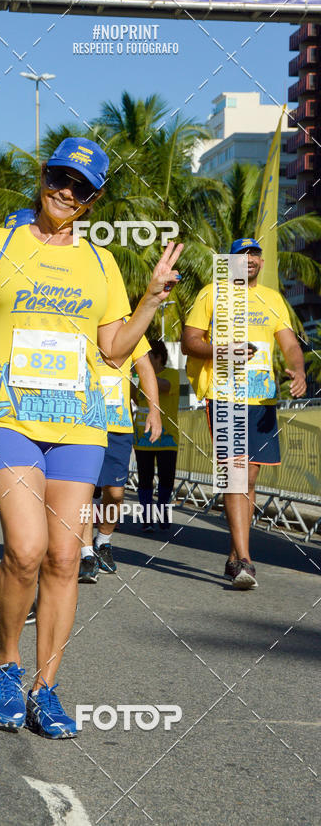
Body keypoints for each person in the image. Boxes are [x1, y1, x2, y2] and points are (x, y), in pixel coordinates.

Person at [0, 136, 183, 738]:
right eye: (59, 178)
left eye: (81, 187)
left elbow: (113, 347)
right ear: (43, 178)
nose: (66, 192)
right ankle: (6, 664)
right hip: (12, 417)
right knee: (24, 549)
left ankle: (46, 686)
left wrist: (149, 301)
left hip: (79, 423)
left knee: (66, 555)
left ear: (93, 200)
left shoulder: (100, 263)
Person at [182, 237, 306, 589]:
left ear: (261, 263)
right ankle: (246, 562)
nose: (249, 259)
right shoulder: (212, 293)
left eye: (254, 254)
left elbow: (291, 344)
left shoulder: (273, 299)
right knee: (235, 475)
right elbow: (189, 341)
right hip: (223, 396)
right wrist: (224, 351)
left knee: (249, 479)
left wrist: (298, 371)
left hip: (262, 399)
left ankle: (236, 554)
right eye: (241, 255)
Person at [79, 337, 161, 582]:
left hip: (118, 425)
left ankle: (103, 541)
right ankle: (85, 555)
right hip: (83, 423)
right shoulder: (82, 316)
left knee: (114, 493)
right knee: (83, 492)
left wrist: (154, 411)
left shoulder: (128, 325)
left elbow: (145, 368)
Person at [133, 340, 180, 532]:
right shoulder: (141, 379)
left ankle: (162, 511)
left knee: (166, 479)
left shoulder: (172, 374)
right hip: (143, 439)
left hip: (167, 439)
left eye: (148, 357)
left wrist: (143, 373)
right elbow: (136, 397)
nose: (143, 361)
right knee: (145, 480)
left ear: (159, 357)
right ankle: (147, 518)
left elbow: (165, 386)